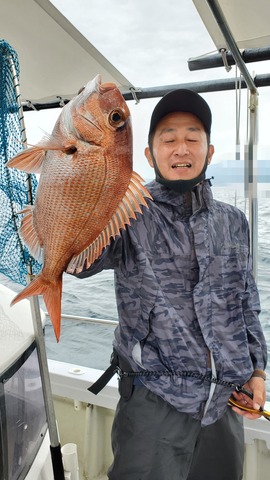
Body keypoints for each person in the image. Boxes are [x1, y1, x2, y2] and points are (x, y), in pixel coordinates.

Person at [75, 89, 268, 480]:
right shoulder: (128, 215)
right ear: (149, 155)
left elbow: (246, 301)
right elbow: (81, 261)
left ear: (209, 151)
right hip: (154, 404)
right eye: (168, 139)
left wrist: (257, 373)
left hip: (225, 404)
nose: (181, 148)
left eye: (192, 138)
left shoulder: (232, 221)